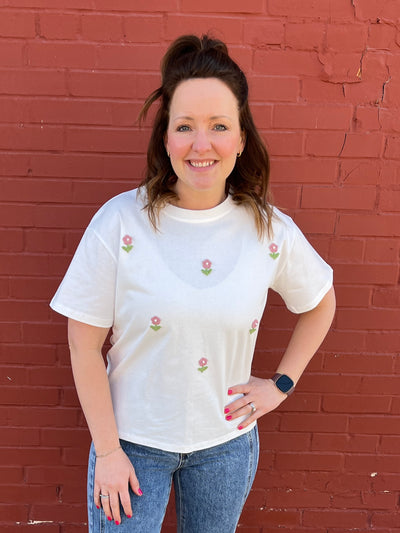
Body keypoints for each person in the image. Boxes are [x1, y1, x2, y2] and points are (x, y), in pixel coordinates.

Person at [50, 34, 336, 533]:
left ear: (242, 138)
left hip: (225, 447)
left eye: (219, 126)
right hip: (132, 445)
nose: (201, 145)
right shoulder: (120, 222)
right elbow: (82, 344)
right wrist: (109, 451)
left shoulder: (267, 230)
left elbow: (320, 302)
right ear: (166, 137)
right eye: (185, 127)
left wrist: (281, 385)